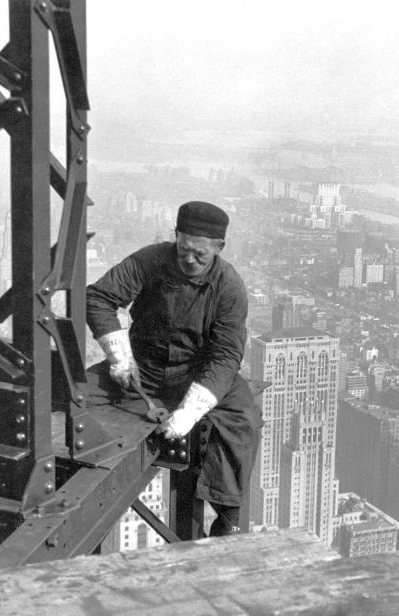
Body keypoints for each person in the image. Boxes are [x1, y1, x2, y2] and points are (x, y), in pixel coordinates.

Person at [86, 200, 261, 537]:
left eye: (200, 254)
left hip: (197, 375)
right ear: (175, 236)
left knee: (242, 419)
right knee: (76, 393)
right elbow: (99, 298)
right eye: (183, 249)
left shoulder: (229, 287)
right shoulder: (149, 260)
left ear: (219, 248)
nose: (189, 260)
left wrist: (189, 413)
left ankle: (228, 517)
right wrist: (120, 356)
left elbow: (225, 356)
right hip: (143, 369)